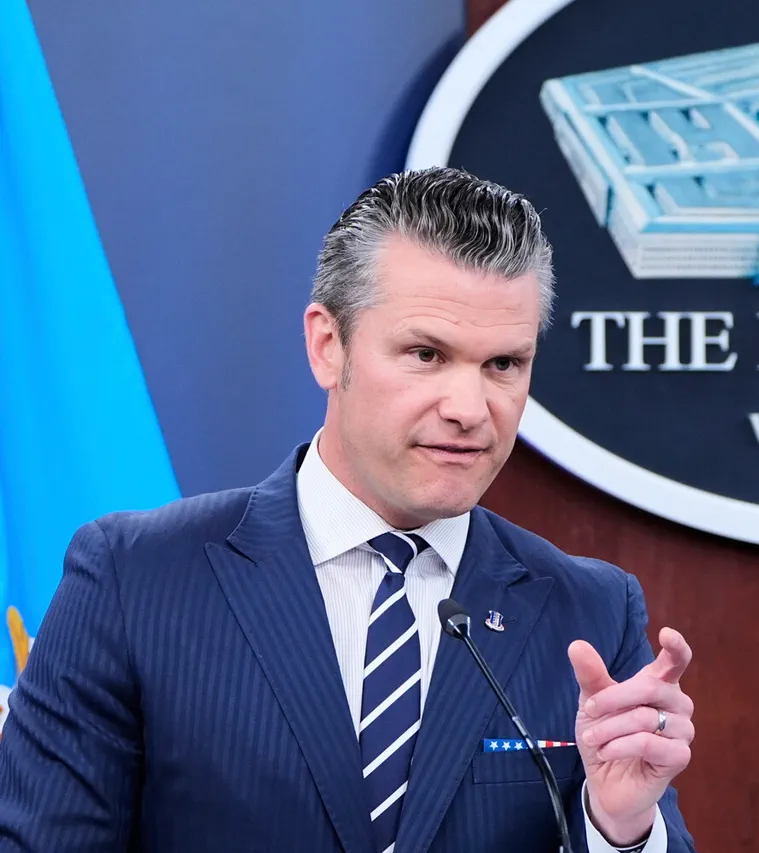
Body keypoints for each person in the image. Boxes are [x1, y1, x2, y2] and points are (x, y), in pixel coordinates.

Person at [0, 167, 697, 852]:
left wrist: (620, 830)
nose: (469, 408)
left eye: (503, 365)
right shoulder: (135, 578)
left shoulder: (591, 611)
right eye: (426, 354)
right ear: (327, 347)